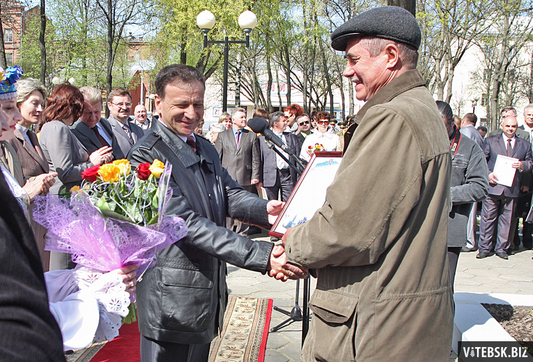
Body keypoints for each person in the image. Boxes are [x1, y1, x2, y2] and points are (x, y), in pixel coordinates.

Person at [282, 7, 454, 361]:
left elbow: (348, 228)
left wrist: (292, 244)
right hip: (402, 319)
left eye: (354, 59)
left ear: (390, 56)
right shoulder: (418, 107)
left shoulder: (392, 115)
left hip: (377, 328)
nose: (348, 71)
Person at [128, 64, 306, 362]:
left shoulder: (203, 146)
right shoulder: (147, 155)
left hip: (204, 290)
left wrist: (266, 211)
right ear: (157, 103)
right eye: (181, 105)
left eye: (197, 104)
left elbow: (228, 193)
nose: (192, 113)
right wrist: (262, 256)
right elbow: (184, 223)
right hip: (171, 299)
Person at [40, 83, 113, 270]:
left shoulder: (51, 127)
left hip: (63, 204)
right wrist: (93, 163)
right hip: (64, 205)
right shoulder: (59, 128)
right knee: (62, 266)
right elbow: (64, 172)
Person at [437, 101, 488, 287]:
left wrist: (446, 195)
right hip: (418, 229)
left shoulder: (470, 148)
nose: (438, 134)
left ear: (452, 124)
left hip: (450, 228)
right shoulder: (420, 141)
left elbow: (480, 187)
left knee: (444, 287)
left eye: (442, 128)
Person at [478, 115, 533, 260]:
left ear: (517, 127)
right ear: (502, 126)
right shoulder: (490, 141)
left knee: (507, 220)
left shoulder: (525, 144)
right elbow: (482, 160)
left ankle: (502, 248)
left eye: (513, 126)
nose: (510, 129)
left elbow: (530, 163)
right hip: (493, 186)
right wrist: (487, 174)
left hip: (512, 188)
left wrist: (522, 165)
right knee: (488, 218)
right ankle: (484, 247)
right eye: (508, 126)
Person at [215, 107, 261, 236]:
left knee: (245, 206)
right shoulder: (223, 136)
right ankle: (228, 232)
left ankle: (243, 233)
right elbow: (217, 157)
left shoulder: (251, 136)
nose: (244, 119)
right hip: (227, 176)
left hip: (245, 176)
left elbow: (256, 158)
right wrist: (217, 175)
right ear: (233, 119)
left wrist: (255, 176)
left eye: (245, 117)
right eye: (241, 117)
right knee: (227, 204)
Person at [70, 86, 125, 160]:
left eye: (97, 112)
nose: (93, 117)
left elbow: (117, 153)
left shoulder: (105, 123)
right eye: (88, 113)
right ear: (78, 109)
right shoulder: (72, 130)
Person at [258, 111, 300, 203]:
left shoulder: (292, 137)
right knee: (272, 204)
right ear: (275, 123)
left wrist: (298, 178)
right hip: (270, 176)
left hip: (288, 176)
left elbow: (297, 159)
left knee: (288, 204)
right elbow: (259, 160)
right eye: (284, 121)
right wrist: (259, 179)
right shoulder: (263, 139)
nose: (286, 122)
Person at [106, 89, 144, 156]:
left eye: (128, 104)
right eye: (120, 104)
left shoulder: (138, 130)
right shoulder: (106, 128)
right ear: (109, 105)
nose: (124, 107)